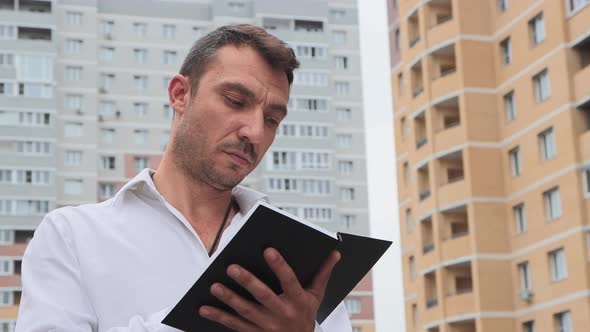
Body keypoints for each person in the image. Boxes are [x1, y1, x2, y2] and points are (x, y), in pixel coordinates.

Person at [15, 24, 352, 331]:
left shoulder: (305, 261)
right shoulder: (71, 237)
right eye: (235, 101)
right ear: (179, 95)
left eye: (271, 119)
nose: (254, 132)